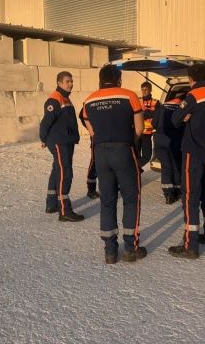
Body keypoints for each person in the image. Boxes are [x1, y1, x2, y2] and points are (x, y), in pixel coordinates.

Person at [82, 64, 147, 264]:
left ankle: (110, 251)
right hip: (124, 150)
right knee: (131, 198)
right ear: (119, 79)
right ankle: (130, 248)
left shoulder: (89, 100)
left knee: (107, 200)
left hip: (101, 153)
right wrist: (127, 142)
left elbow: (91, 130)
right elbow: (140, 128)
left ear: (100, 80)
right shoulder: (129, 96)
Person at [168, 63, 205, 259]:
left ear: (191, 79)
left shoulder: (193, 95)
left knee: (190, 196)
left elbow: (175, 119)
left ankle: (190, 246)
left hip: (193, 152)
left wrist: (186, 117)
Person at [39, 71, 85, 222]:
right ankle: (65, 211)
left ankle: (52, 204)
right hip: (60, 142)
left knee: (57, 170)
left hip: (66, 140)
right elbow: (45, 122)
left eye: (71, 81)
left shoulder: (65, 98)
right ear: (59, 83)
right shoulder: (55, 99)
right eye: (67, 81)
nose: (70, 84)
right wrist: (43, 138)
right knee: (65, 173)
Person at [152, 93, 185, 204]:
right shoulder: (181, 108)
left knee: (166, 166)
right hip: (173, 140)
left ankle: (168, 195)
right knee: (175, 165)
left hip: (159, 140)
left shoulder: (161, 107)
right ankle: (178, 191)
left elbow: (154, 123)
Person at [78, 108, 100, 200]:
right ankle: (91, 189)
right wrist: (90, 128)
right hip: (96, 137)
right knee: (94, 162)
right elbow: (81, 115)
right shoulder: (90, 103)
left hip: (109, 137)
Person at [138, 81, 160, 170]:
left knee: (147, 156)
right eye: (142, 89)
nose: (144, 91)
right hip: (137, 132)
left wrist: (149, 113)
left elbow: (159, 115)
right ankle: (135, 172)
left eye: (146, 89)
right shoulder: (137, 100)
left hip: (147, 133)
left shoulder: (156, 102)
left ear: (150, 90)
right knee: (135, 155)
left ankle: (135, 169)